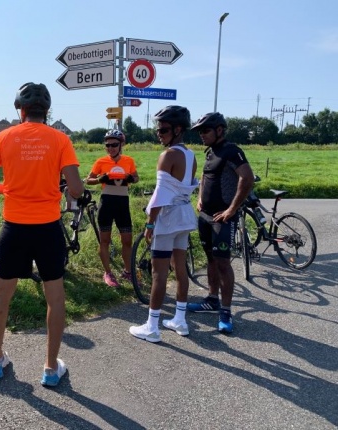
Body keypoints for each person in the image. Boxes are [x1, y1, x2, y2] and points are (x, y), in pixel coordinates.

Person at [0, 82, 83, 386]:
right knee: (56, 297)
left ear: (19, 110)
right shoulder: (61, 139)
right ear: (47, 111)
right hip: (48, 229)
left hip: (14, 229)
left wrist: (6, 188)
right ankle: (50, 368)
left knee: (2, 294)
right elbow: (75, 189)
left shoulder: (4, 137)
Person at [128, 106, 198, 343]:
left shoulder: (167, 156)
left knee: (158, 273)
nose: (159, 133)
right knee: (180, 269)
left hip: (167, 218)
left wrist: (149, 223)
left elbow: (160, 194)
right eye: (158, 129)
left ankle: (152, 326)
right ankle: (180, 320)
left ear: (178, 129)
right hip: (185, 215)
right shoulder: (191, 155)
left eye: (164, 130)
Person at [187, 112, 255, 334]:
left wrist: (232, 209)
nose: (201, 135)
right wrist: (199, 198)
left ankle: (225, 310)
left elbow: (247, 178)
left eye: (205, 131)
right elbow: (206, 177)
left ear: (219, 130)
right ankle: (211, 299)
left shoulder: (231, 151)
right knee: (210, 260)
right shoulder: (210, 152)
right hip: (205, 216)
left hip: (222, 218)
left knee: (223, 263)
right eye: (199, 132)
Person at [85, 129, 139, 287]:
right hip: (107, 202)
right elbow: (89, 180)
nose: (110, 148)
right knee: (105, 240)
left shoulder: (128, 160)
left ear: (121, 144)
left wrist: (131, 178)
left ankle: (128, 272)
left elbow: (136, 177)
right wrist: (100, 179)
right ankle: (108, 273)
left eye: (114, 144)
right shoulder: (101, 162)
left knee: (127, 240)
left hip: (123, 203)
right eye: (107, 145)